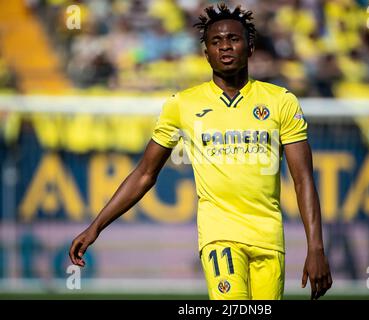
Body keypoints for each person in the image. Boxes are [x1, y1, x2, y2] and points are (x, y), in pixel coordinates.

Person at [69, 3, 332, 300]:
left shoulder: (281, 101)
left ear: (250, 46)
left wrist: (316, 247)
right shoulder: (182, 105)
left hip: (270, 239)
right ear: (206, 53)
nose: (225, 47)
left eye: (233, 39)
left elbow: (303, 180)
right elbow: (144, 174)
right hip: (219, 237)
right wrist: (95, 228)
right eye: (216, 41)